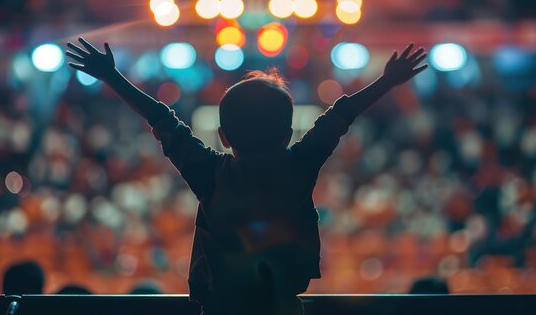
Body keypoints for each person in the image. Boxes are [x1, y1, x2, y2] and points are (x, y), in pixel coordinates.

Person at [66, 38, 427, 314]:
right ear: (288, 134)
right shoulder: (299, 167)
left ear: (222, 136)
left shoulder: (210, 174)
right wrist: (387, 81)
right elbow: (340, 116)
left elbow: (163, 122)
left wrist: (111, 76)